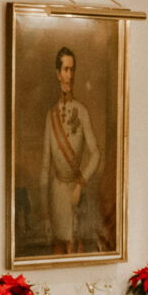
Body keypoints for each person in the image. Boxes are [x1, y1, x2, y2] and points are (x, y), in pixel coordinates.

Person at [38, 46, 100, 256]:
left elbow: (96, 154)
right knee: (57, 251)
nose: (69, 75)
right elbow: (45, 166)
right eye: (65, 69)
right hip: (57, 193)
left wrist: (80, 184)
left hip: (75, 192)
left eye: (72, 70)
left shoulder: (81, 112)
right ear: (58, 73)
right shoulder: (50, 116)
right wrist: (45, 213)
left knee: (76, 250)